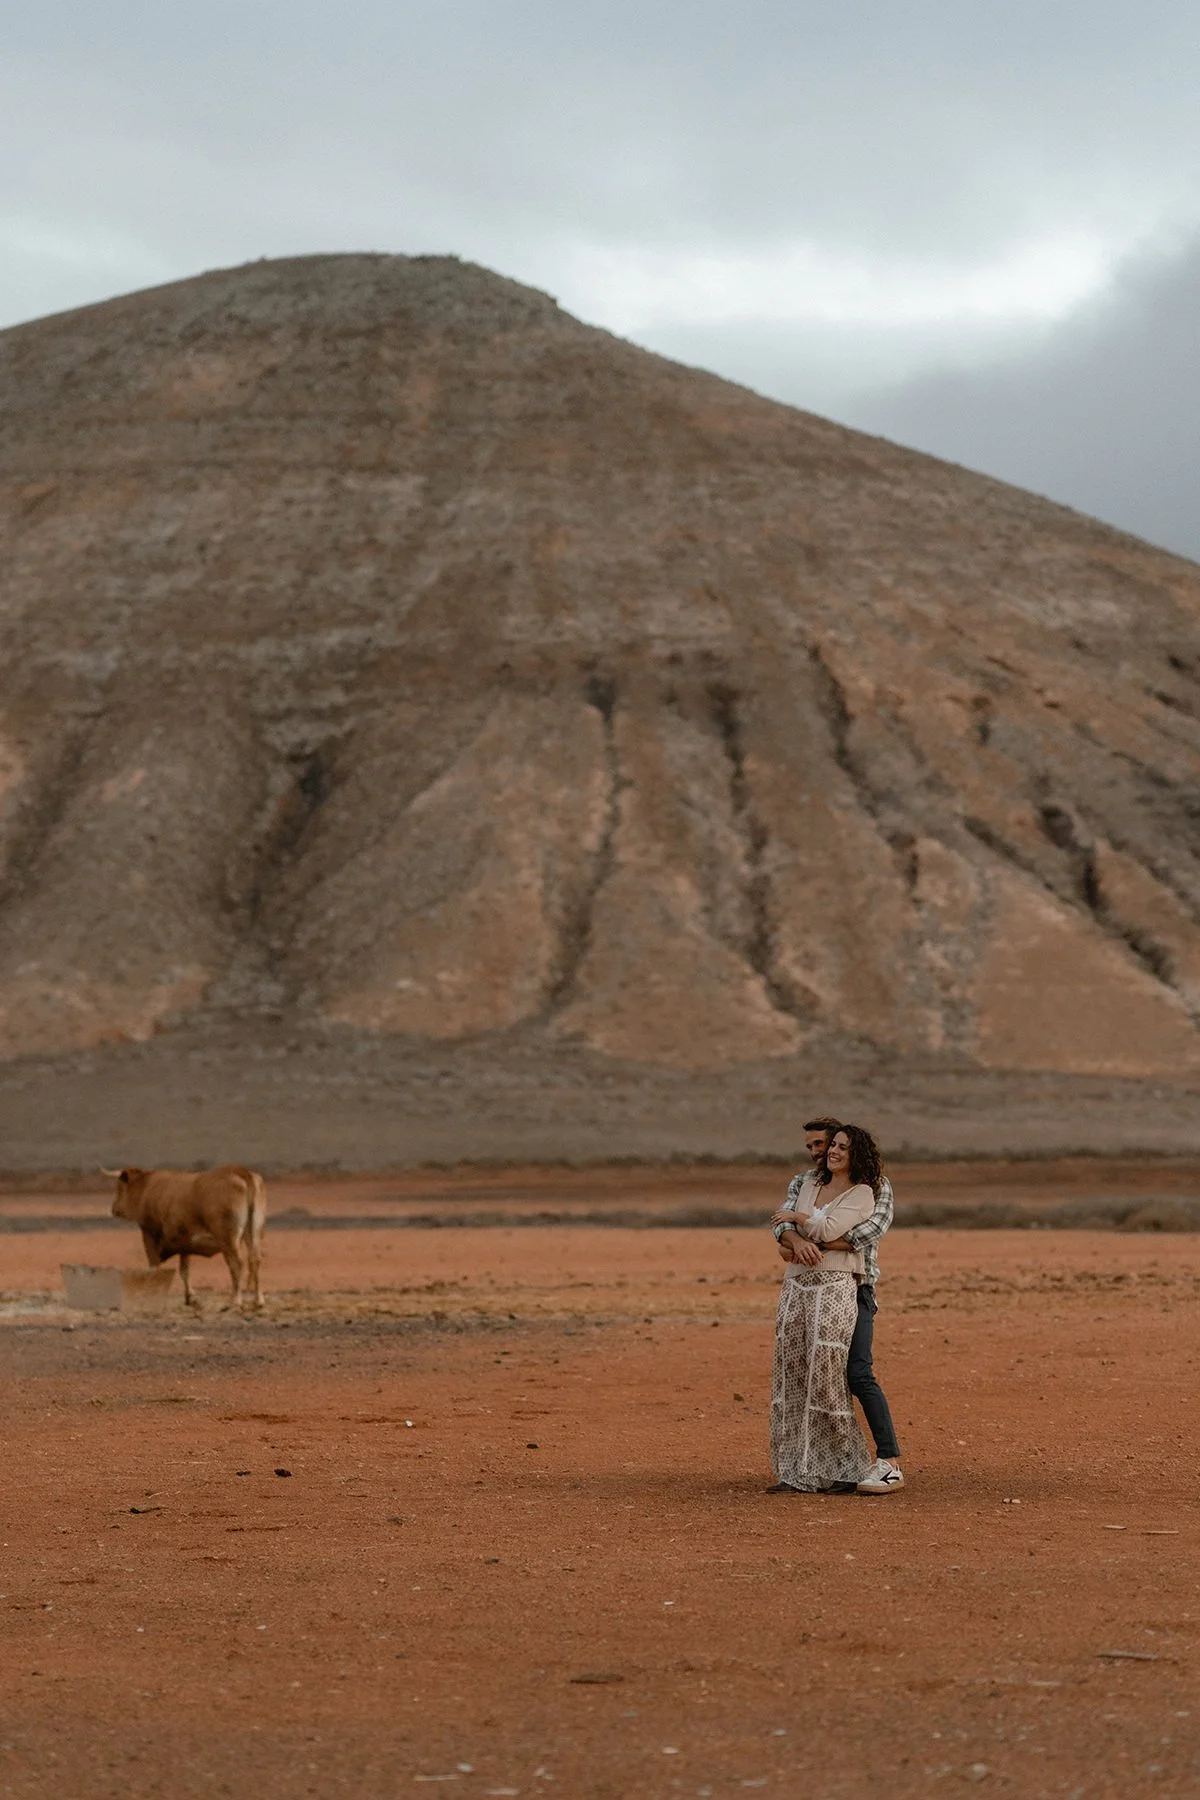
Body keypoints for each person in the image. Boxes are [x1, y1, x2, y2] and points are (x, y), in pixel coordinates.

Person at [771, 1118, 903, 1495]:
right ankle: (811, 1468)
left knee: (855, 1372)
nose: (819, 1152)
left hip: (855, 1288)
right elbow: (779, 1229)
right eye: (812, 1147)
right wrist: (795, 1242)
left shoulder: (875, 1188)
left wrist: (801, 1239)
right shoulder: (804, 1182)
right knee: (803, 1374)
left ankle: (888, 1461)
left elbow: (862, 1235)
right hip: (805, 1286)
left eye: (824, 1144)